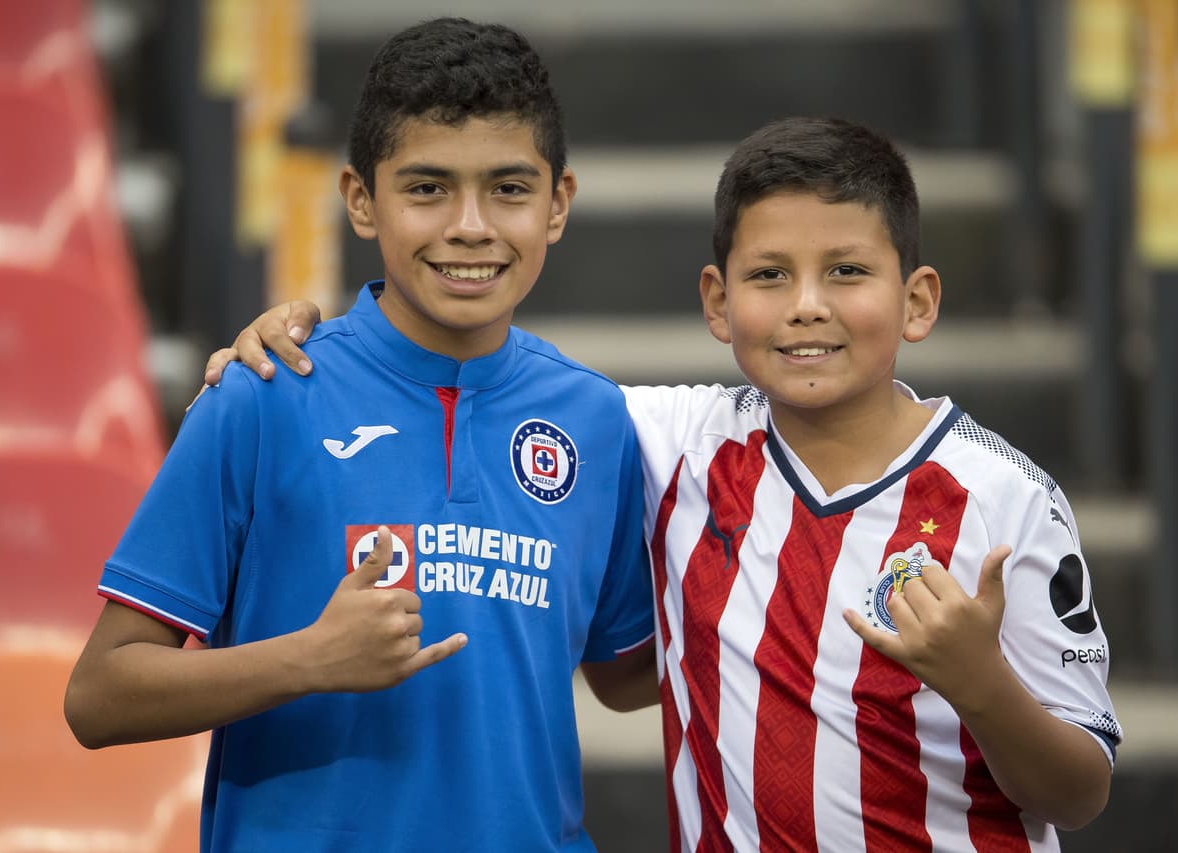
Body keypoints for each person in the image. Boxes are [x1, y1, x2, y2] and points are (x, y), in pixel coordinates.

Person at [212, 116, 1122, 851]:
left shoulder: (1006, 502)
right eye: (771, 275)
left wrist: (981, 684)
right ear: (718, 303)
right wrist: (307, 345)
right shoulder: (664, 440)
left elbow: (1079, 793)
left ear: (918, 299)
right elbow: (492, 393)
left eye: (847, 272)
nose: (808, 304)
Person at [64, 18, 657, 853]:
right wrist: (306, 658)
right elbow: (97, 697)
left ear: (557, 205)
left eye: (510, 189)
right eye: (426, 188)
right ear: (359, 201)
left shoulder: (596, 419)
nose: (471, 225)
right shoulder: (265, 392)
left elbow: (626, 674)